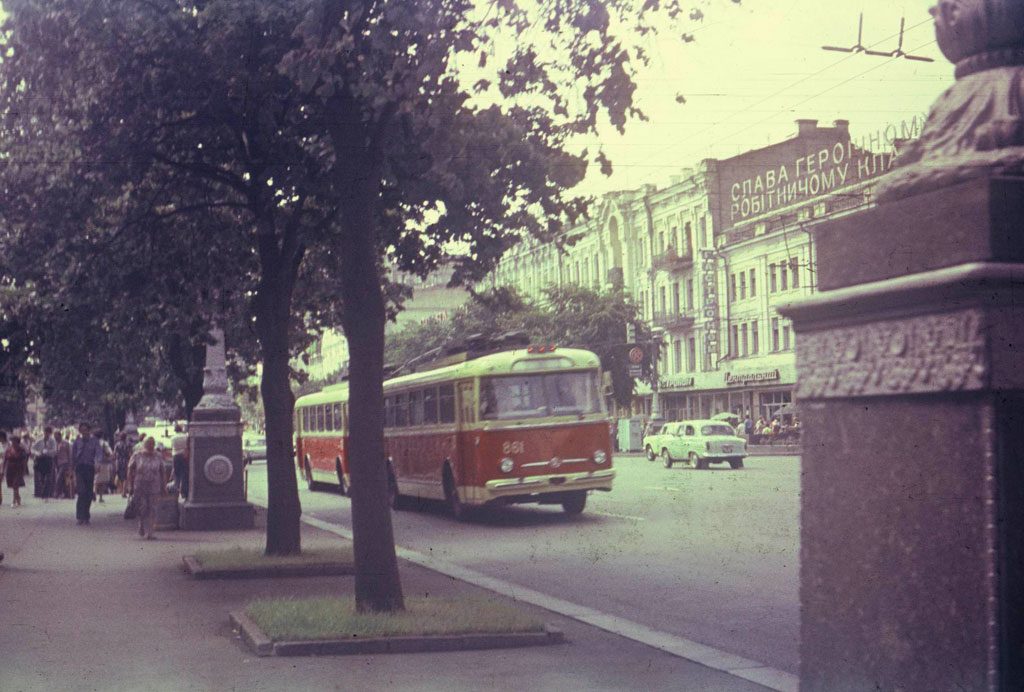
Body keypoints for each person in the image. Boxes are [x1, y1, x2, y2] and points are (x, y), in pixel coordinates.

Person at [127, 437, 168, 540]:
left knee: (153, 507)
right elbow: (130, 470)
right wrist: (129, 485)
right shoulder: (137, 455)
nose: (150, 446)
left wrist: (164, 486)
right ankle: (140, 523)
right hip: (139, 484)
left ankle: (150, 532)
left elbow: (162, 471)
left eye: (152, 444)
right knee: (142, 507)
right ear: (144, 445)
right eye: (148, 444)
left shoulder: (158, 456)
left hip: (154, 484)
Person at [71, 423, 101, 525]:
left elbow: (98, 453)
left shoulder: (94, 442)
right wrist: (71, 469)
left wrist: (97, 463)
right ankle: (80, 516)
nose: (84, 432)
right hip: (79, 468)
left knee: (88, 492)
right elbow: (73, 456)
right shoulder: (77, 442)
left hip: (89, 468)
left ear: (89, 430)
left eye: (86, 430)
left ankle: (86, 515)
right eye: (82, 430)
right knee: (81, 491)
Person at [3, 435, 30, 507]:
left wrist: (24, 470)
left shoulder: (21, 450)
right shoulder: (8, 449)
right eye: (12, 441)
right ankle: (18, 498)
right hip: (10, 469)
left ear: (18, 442)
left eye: (14, 441)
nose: (13, 443)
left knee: (15, 484)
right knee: (14, 486)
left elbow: (24, 461)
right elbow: (5, 459)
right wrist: (3, 469)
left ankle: (14, 501)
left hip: (18, 469)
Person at [32, 426, 58, 500]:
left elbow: (54, 450)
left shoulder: (52, 441)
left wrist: (47, 452)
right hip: (41, 460)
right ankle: (43, 491)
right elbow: (32, 448)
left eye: (48, 433)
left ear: (50, 433)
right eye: (45, 432)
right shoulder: (39, 440)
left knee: (48, 477)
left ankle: (46, 494)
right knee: (42, 477)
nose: (46, 434)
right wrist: (37, 453)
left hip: (49, 459)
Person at [93, 430, 114, 503]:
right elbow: (108, 452)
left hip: (94, 462)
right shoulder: (104, 443)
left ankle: (94, 492)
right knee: (101, 481)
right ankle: (100, 497)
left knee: (95, 480)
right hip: (103, 463)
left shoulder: (92, 443)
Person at [53, 430, 73, 499]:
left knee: (59, 477)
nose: (55, 438)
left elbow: (70, 454)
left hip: (65, 462)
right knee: (62, 479)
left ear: (60, 436)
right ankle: (63, 493)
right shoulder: (55, 444)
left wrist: (70, 465)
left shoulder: (66, 443)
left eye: (56, 436)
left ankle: (56, 492)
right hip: (57, 463)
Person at [170, 424, 188, 499]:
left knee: (176, 473)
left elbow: (172, 447)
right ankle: (183, 492)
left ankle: (175, 487)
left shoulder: (173, 437)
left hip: (175, 455)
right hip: (184, 455)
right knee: (184, 473)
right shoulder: (185, 436)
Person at [114, 432, 133, 497]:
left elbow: (114, 453)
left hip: (119, 461)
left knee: (120, 477)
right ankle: (124, 492)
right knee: (125, 477)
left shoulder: (117, 444)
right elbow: (131, 453)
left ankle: (122, 490)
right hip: (126, 461)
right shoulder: (128, 444)